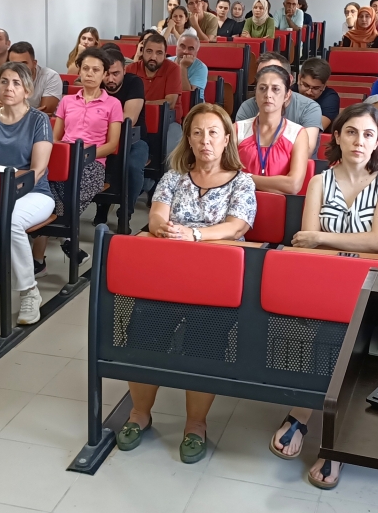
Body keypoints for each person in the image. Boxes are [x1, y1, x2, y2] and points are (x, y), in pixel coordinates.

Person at [117, 103, 256, 464]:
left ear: (226, 139)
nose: (205, 140)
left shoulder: (242, 181)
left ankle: (195, 424)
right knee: (143, 338)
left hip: (217, 283)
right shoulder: (174, 176)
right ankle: (139, 414)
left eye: (212, 132)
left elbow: (236, 227)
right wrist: (164, 228)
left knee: (203, 347)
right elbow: (156, 217)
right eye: (197, 133)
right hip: (167, 277)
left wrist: (193, 234)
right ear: (188, 140)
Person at [280, 103, 378, 489]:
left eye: (368, 134)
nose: (359, 141)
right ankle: (318, 421)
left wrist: (322, 237)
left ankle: (319, 429)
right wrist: (323, 242)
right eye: (351, 132)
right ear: (338, 136)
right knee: (329, 330)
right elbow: (305, 244)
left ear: (377, 141)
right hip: (328, 282)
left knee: (350, 339)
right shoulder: (319, 181)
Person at [0, 63, 54, 324]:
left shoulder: (38, 120)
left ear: (27, 90)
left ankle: (30, 292)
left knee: (11, 221)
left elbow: (38, 170)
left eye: (16, 83)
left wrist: (7, 192)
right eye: (4, 81)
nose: (9, 87)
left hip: (34, 193)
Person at [39, 47, 123, 268]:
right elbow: (56, 138)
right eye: (85, 68)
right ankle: (65, 240)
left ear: (104, 74)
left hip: (92, 163)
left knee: (68, 197)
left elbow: (112, 145)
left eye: (96, 70)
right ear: (79, 71)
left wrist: (84, 155)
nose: (89, 74)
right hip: (63, 160)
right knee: (44, 191)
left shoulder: (113, 104)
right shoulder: (67, 101)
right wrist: (65, 156)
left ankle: (60, 242)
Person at [94, 44, 149, 228]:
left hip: (134, 140)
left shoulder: (134, 83)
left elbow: (128, 120)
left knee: (132, 167)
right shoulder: (96, 83)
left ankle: (126, 212)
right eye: (107, 74)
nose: (110, 79)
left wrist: (98, 121)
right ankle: (102, 206)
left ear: (124, 70)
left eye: (116, 73)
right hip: (101, 140)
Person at [235, 66, 310, 194]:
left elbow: (293, 185)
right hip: (238, 202)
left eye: (275, 89)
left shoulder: (298, 133)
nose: (268, 95)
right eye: (262, 88)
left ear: (287, 95)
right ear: (256, 93)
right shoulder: (237, 129)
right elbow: (223, 175)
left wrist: (244, 178)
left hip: (279, 204)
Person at [235, 51, 322, 143]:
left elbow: (307, 148)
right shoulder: (247, 107)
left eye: (274, 72)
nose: (268, 94)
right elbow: (238, 147)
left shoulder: (309, 108)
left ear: (290, 79)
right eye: (261, 75)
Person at [6, 41, 60, 115]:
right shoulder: (5, 78)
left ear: (34, 63)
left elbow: (45, 113)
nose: (19, 69)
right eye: (15, 64)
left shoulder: (50, 77)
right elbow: (2, 112)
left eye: (24, 64)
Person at [296, 57, 340, 130]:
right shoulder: (289, 91)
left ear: (324, 86)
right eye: (306, 85)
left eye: (315, 88)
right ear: (299, 78)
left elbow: (314, 129)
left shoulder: (331, 98)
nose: (309, 92)